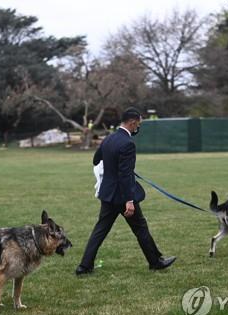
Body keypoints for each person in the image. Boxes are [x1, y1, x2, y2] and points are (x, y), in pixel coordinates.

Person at [75, 107, 176, 275]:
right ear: (132, 122)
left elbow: (96, 159)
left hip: (107, 194)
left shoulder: (108, 139)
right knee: (140, 228)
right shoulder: (128, 143)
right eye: (138, 124)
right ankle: (155, 262)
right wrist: (129, 201)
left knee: (100, 230)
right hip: (122, 196)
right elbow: (125, 175)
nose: (138, 128)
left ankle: (84, 266)